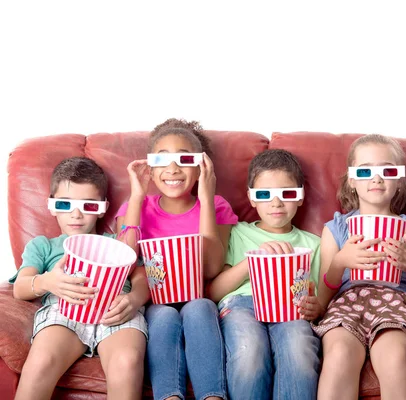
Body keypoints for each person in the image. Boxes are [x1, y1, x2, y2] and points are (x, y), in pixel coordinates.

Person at [313, 134, 406, 400]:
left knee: (395, 355)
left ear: (399, 180)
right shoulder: (336, 228)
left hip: (397, 304)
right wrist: (340, 261)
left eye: (387, 170)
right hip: (346, 303)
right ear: (352, 180)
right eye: (365, 171)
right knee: (339, 353)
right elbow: (322, 299)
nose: (376, 178)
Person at [117, 118, 238, 400]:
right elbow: (122, 262)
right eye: (162, 160)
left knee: (199, 307)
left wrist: (206, 199)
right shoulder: (136, 206)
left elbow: (210, 268)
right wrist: (136, 197)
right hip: (154, 301)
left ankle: (212, 396)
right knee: (163, 315)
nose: (172, 168)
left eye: (184, 159)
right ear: (150, 166)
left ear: (200, 167)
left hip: (199, 299)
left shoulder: (217, 206)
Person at [10, 157, 148, 400]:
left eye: (89, 206)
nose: (76, 214)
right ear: (52, 206)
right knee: (42, 360)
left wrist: (135, 299)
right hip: (63, 311)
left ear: (103, 208)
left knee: (127, 362)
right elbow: (21, 288)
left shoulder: (115, 242)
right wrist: (47, 282)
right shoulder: (43, 246)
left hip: (115, 309)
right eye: (65, 205)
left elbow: (142, 276)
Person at [207, 149, 321, 400]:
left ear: (300, 197)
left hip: (291, 309)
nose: (276, 203)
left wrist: (316, 307)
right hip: (242, 303)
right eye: (264, 195)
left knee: (299, 349)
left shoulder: (314, 244)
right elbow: (213, 292)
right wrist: (251, 262)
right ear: (251, 198)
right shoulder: (237, 233)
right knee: (249, 350)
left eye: (287, 194)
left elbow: (320, 299)